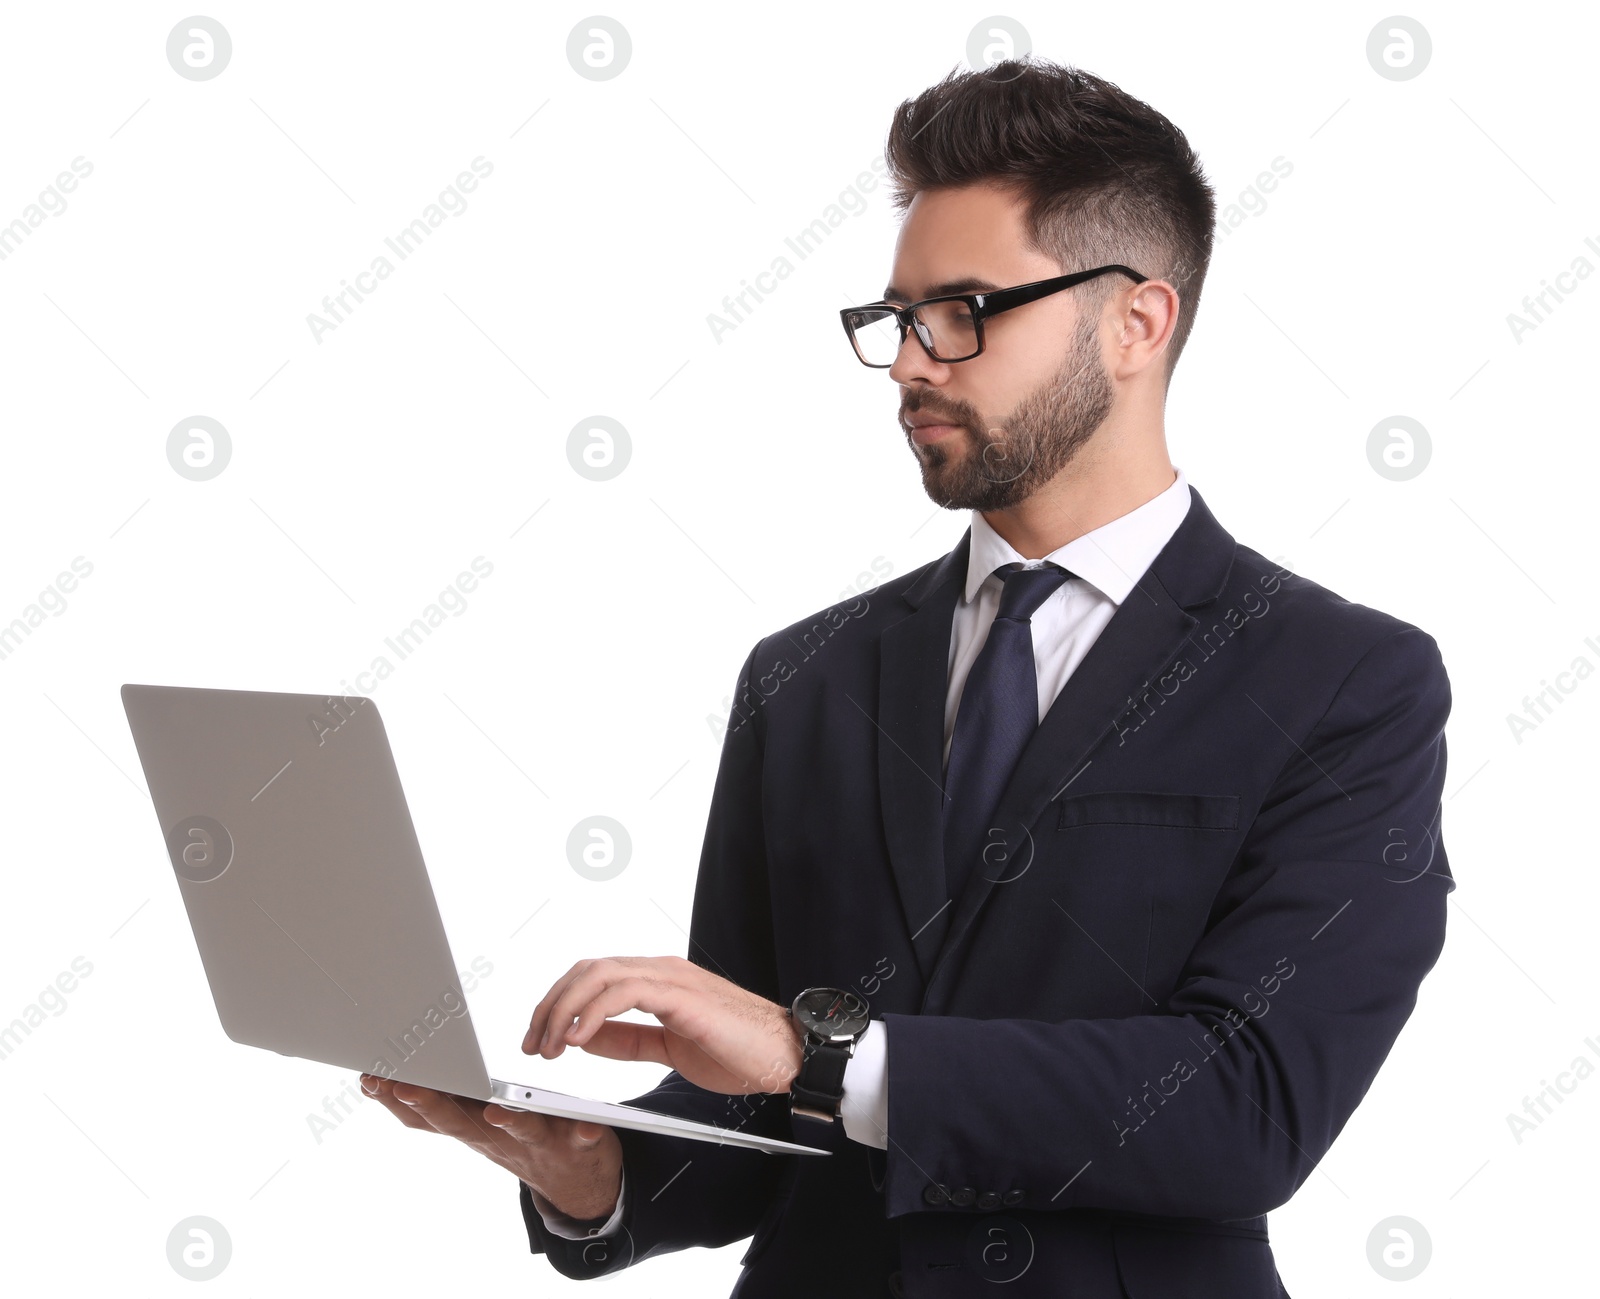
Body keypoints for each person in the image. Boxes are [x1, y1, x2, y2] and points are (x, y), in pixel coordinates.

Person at [363, 57, 1454, 1298]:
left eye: (965, 311)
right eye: (897, 317)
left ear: (1136, 323)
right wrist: (592, 1173)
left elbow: (1245, 1109)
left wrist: (814, 1056)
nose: (910, 365)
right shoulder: (807, 675)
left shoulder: (1343, 681)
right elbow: (769, 1117)